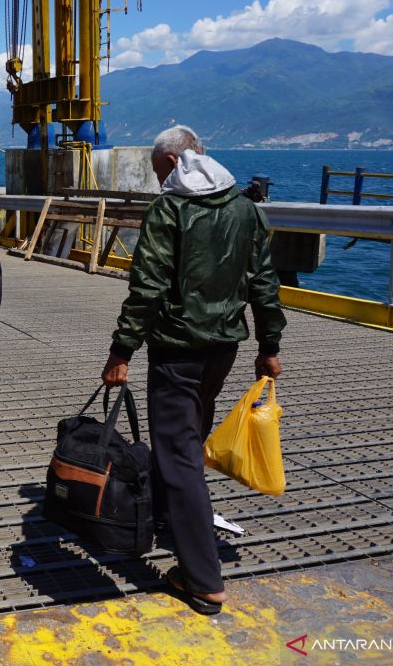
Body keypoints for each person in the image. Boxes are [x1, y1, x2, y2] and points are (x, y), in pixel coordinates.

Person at [101, 125, 286, 615]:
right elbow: (264, 281)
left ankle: (203, 580)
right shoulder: (245, 208)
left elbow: (148, 287)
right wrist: (269, 345)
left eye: (161, 169)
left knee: (180, 452)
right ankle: (168, 514)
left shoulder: (170, 209)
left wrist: (121, 351)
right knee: (187, 434)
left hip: (177, 348)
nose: (160, 178)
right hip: (223, 348)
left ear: (173, 162)